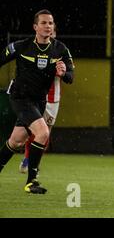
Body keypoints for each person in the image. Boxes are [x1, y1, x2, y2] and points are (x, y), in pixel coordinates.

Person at [0, 9, 74, 194]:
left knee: (16, 141)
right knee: (42, 133)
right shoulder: (22, 46)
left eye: (50, 23)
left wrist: (64, 73)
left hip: (38, 102)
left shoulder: (60, 49)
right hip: (20, 98)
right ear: (35, 27)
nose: (48, 26)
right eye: (43, 23)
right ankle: (31, 181)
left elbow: (71, 76)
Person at [19, 28, 62, 173]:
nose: (50, 32)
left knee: (45, 134)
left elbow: (67, 73)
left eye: (53, 31)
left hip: (52, 98)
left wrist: (62, 71)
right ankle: (26, 159)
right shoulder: (33, 50)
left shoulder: (60, 52)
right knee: (29, 132)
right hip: (35, 96)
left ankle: (34, 163)